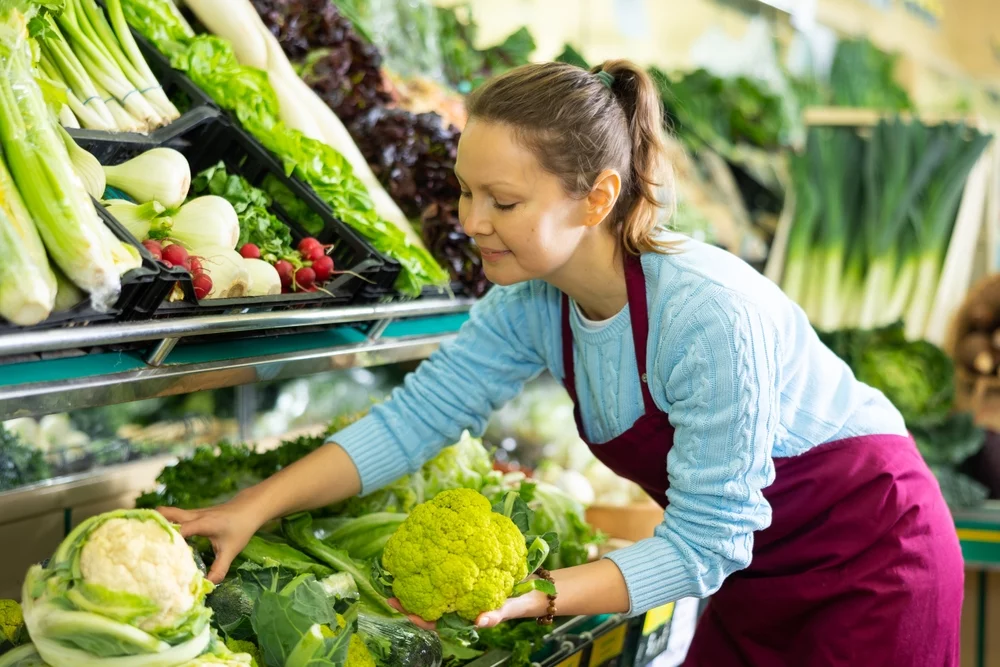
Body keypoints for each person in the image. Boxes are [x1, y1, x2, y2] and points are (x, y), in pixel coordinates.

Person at [160, 60, 964, 666]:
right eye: (466, 192)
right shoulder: (531, 302)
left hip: (871, 558)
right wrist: (253, 506)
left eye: (503, 202)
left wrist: (543, 596)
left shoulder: (707, 311)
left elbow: (711, 540)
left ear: (596, 197)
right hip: (757, 576)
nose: (473, 221)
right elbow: (415, 421)